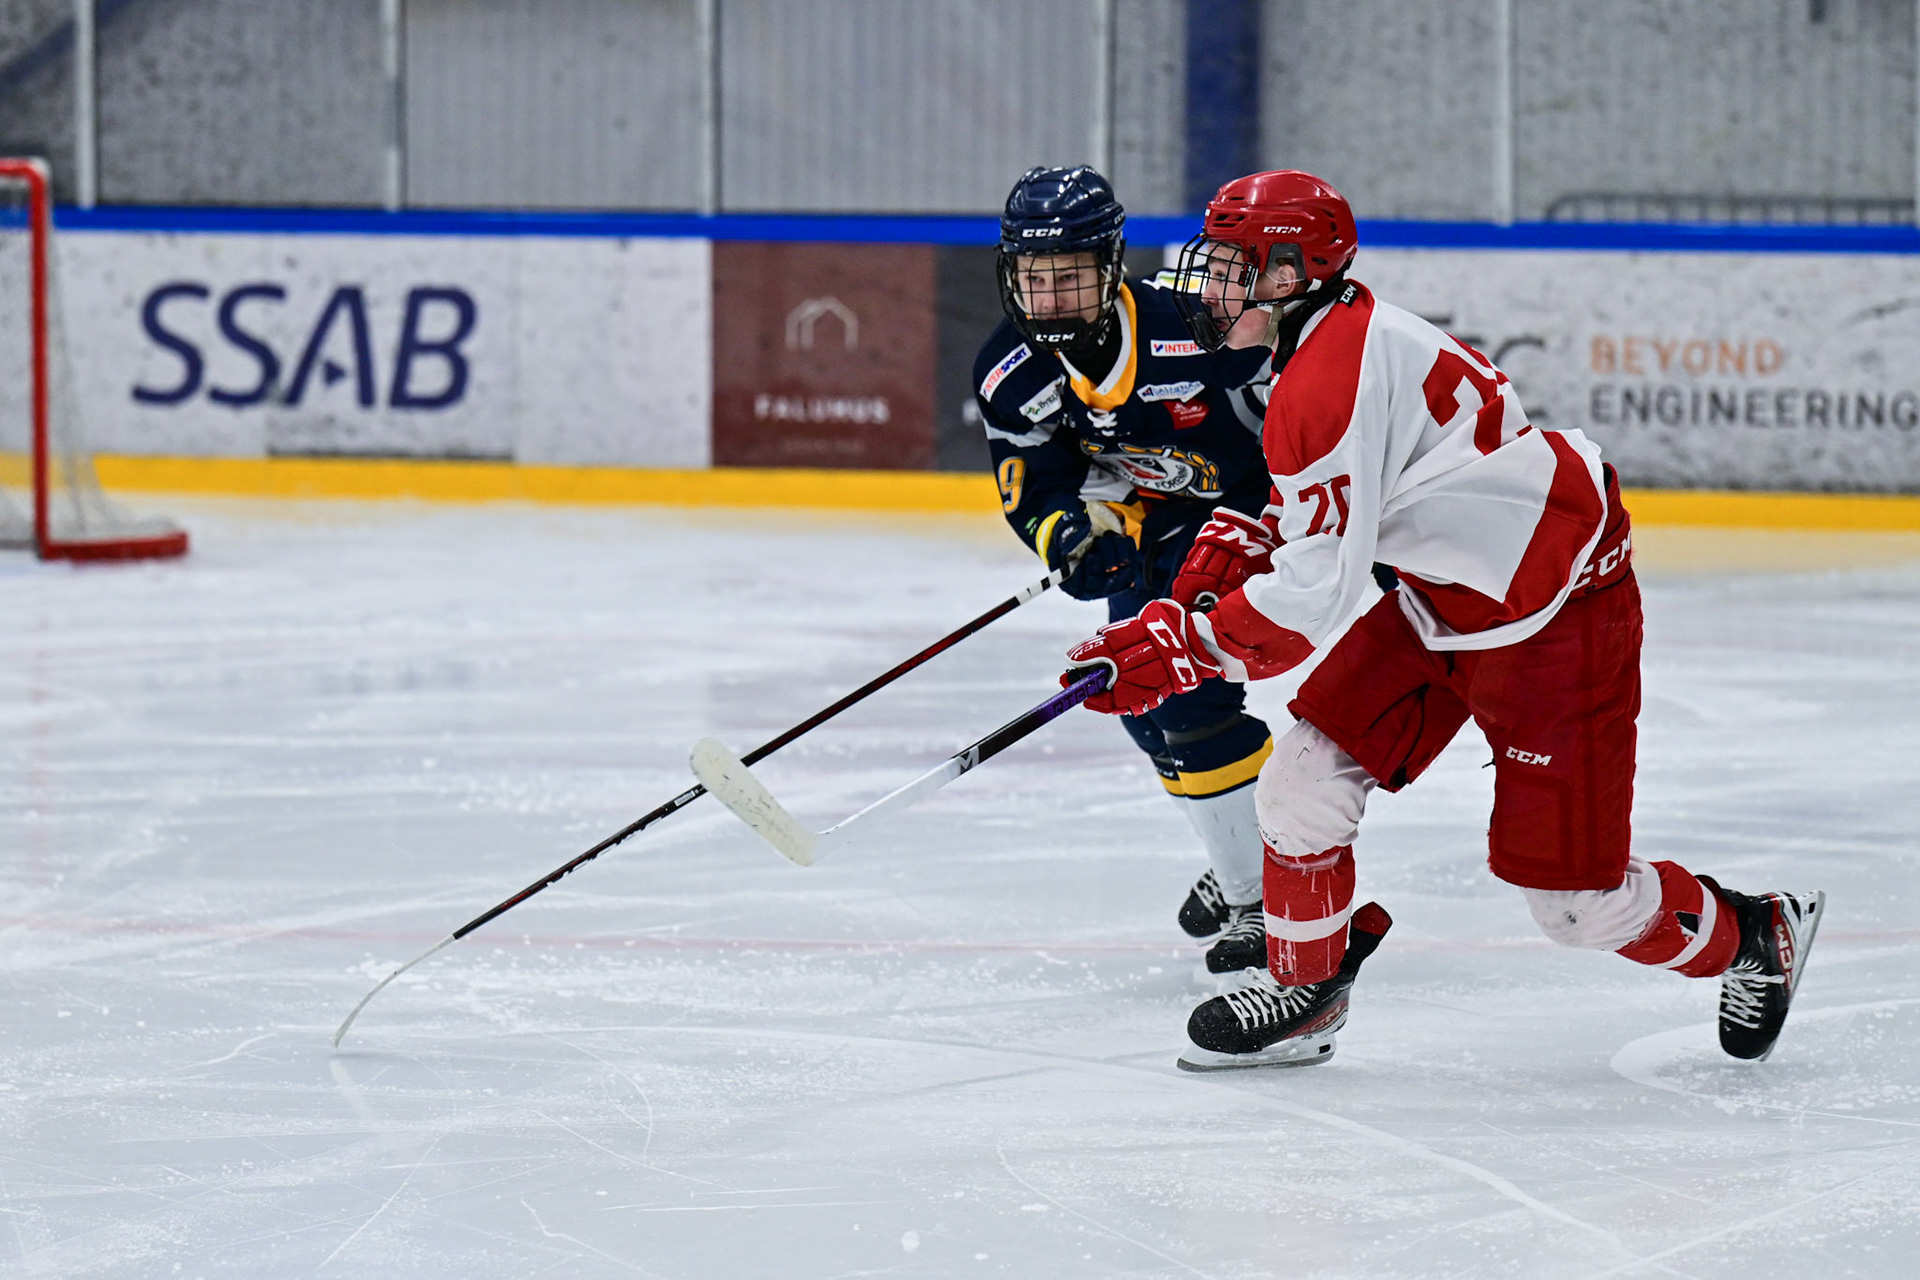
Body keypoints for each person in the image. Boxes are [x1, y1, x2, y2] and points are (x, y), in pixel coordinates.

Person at [1062, 170, 1826, 1070]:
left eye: (1236, 265)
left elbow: (1313, 596)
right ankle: (1308, 992)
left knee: (1577, 908)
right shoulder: (1325, 338)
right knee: (1301, 782)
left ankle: (1753, 934)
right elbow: (1331, 501)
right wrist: (1239, 546)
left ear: (1294, 272)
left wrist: (1186, 646)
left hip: (1556, 615)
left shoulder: (1329, 376)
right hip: (1445, 597)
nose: (1214, 284)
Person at [976, 165, 1279, 974]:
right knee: (1141, 706)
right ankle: (1247, 850)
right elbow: (1033, 484)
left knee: (1185, 693)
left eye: (1070, 278)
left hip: (1242, 520)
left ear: (1110, 265)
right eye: (1034, 279)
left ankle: (1266, 895)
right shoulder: (1010, 370)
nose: (1050, 300)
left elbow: (1298, 425)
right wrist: (1071, 538)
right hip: (1152, 530)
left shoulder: (1197, 325)